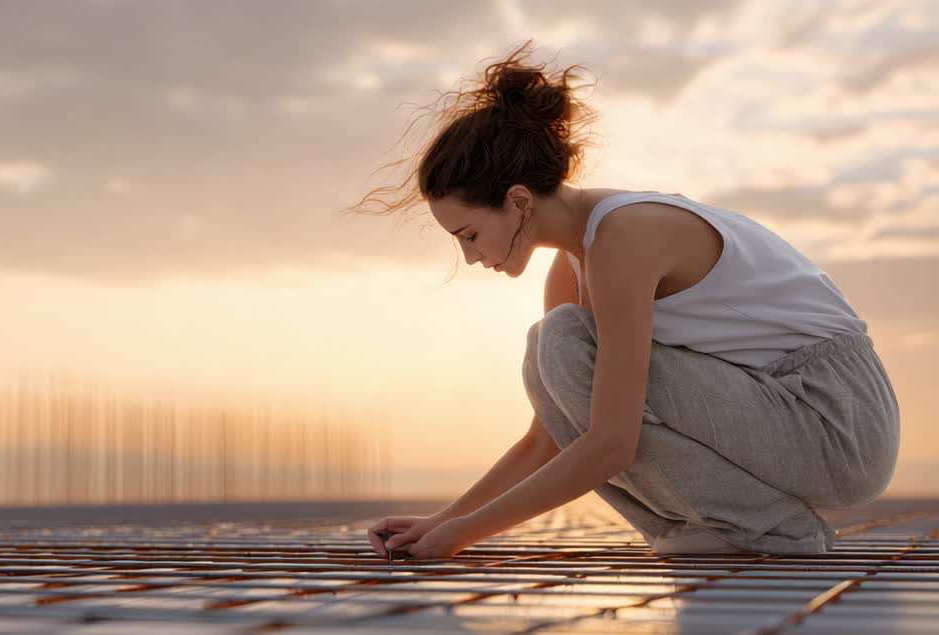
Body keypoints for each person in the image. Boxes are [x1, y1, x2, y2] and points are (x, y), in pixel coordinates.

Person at [348, 39, 901, 560]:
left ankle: (773, 529)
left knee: (559, 342)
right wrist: (442, 522)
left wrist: (462, 536)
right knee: (553, 354)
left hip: (836, 417)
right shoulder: (573, 265)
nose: (471, 258)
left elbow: (612, 444)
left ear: (518, 201)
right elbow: (552, 433)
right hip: (777, 410)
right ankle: (706, 526)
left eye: (469, 235)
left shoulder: (624, 237)